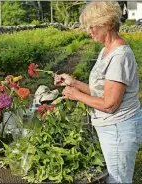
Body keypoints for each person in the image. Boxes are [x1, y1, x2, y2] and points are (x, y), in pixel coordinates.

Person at [54, 2, 142, 183]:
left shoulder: (119, 56)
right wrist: (75, 83)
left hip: (118, 128)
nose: (88, 31)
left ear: (108, 23)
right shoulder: (106, 51)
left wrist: (76, 95)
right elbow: (100, 92)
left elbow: (109, 104)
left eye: (92, 26)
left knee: (118, 180)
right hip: (111, 128)